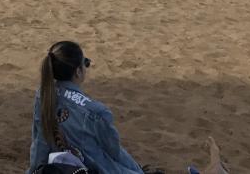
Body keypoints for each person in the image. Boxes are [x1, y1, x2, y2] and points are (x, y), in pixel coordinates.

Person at [28, 42, 231, 174]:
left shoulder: (43, 95)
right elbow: (115, 154)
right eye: (86, 63)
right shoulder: (96, 112)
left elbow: (39, 143)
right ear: (79, 71)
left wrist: (34, 170)